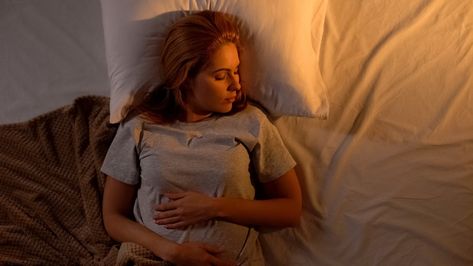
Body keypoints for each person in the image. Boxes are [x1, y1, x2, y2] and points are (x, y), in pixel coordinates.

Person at [101, 10, 301, 266]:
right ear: (185, 79)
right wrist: (170, 251)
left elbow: (291, 210)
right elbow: (113, 217)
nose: (236, 85)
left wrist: (214, 207)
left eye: (236, 70)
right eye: (221, 76)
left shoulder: (252, 123)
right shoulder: (140, 126)